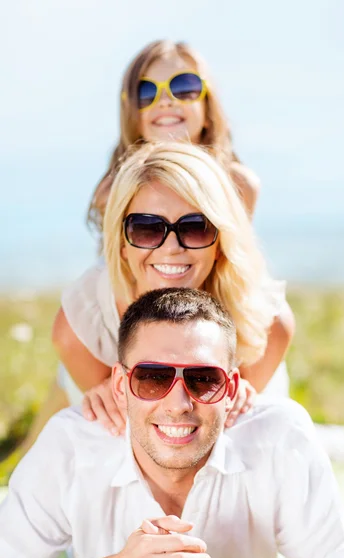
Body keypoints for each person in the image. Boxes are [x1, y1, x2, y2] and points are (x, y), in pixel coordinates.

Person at [0, 288, 344, 558]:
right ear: (121, 385)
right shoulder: (70, 446)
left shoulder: (282, 438)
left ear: (231, 389)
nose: (178, 404)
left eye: (203, 379)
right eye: (153, 378)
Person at [53, 141, 294, 438]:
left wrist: (233, 401)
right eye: (146, 227)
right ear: (121, 244)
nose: (171, 248)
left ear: (221, 243)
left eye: (195, 227)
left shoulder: (269, 325)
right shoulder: (79, 330)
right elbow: (126, 439)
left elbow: (223, 439)